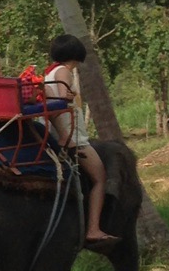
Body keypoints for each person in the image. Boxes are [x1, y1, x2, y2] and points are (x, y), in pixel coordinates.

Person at [43, 32, 116, 249]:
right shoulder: (64, 72)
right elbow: (61, 102)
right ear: (75, 56)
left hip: (61, 133)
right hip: (73, 136)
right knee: (99, 177)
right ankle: (93, 228)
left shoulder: (48, 73)